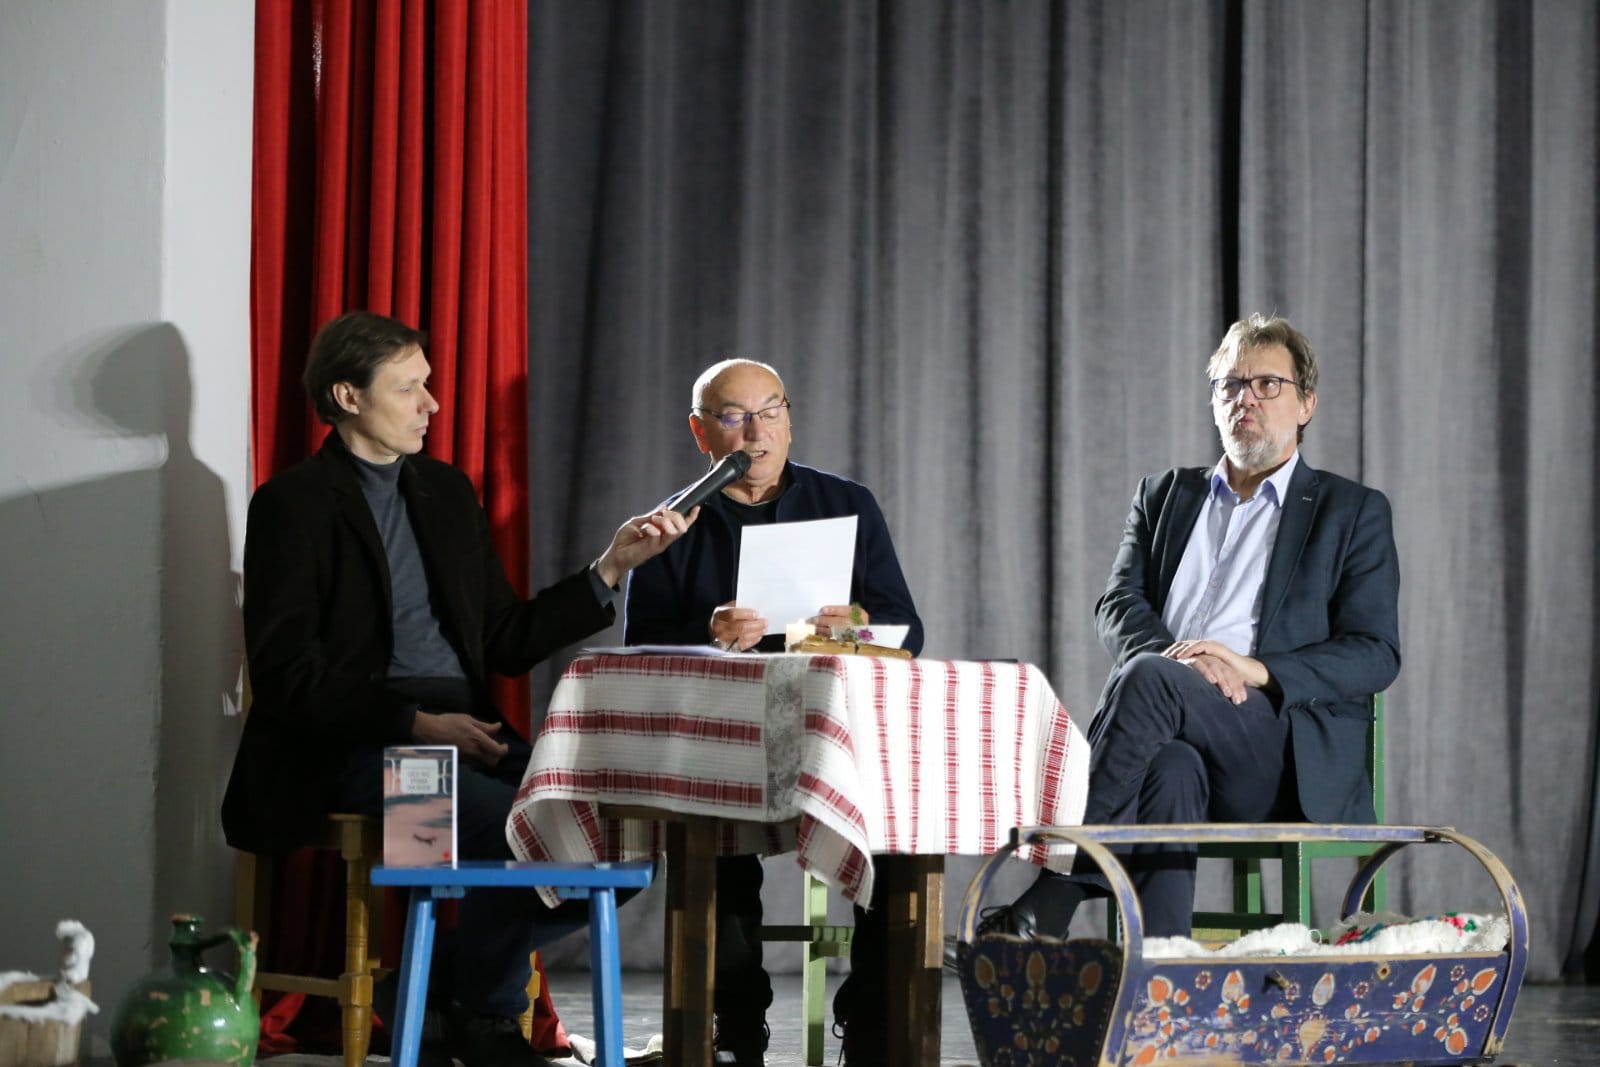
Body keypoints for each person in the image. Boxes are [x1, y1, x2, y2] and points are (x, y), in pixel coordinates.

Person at [221, 311, 695, 1067]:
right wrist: (415, 722)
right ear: (347, 395)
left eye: (429, 385)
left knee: (624, 832)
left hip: (466, 731)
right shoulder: (292, 504)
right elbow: (289, 676)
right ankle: (485, 1016)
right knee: (518, 829)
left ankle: (438, 991)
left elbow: (504, 638)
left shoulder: (444, 491)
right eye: (409, 388)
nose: (431, 404)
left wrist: (610, 568)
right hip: (360, 742)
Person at [972, 313, 1400, 944]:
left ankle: (1058, 893)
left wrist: (1256, 669)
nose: (1245, 399)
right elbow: (1117, 603)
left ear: (1307, 403)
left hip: (1276, 747)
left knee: (1150, 679)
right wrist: (1183, 663)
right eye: (1230, 385)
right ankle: (1161, 973)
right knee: (1169, 763)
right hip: (1172, 729)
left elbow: (1375, 652)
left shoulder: (1351, 510)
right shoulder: (1165, 495)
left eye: (1267, 385)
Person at [622, 358, 923, 1066]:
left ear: (789, 419)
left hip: (833, 730)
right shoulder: (671, 523)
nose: (756, 432)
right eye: (734, 416)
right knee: (710, 827)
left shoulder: (847, 502)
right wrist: (707, 634)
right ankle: (733, 1030)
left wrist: (853, 624)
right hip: (720, 737)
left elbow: (907, 628)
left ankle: (874, 1026)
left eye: (770, 411)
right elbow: (639, 656)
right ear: (701, 432)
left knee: (898, 820)